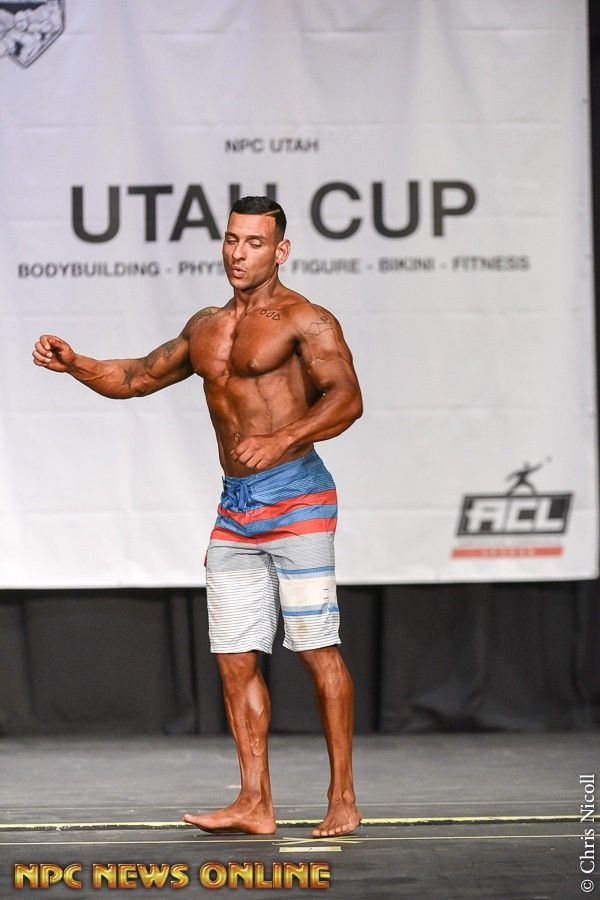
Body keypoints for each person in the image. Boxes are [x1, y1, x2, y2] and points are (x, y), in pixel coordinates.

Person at [32, 195, 363, 838]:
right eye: (232, 239)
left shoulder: (308, 320)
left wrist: (283, 437)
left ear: (281, 250)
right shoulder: (207, 326)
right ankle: (255, 802)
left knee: (316, 649)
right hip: (236, 508)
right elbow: (135, 376)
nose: (240, 253)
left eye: (255, 243)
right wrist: (76, 364)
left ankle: (343, 798)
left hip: (298, 497)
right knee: (235, 657)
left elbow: (347, 398)